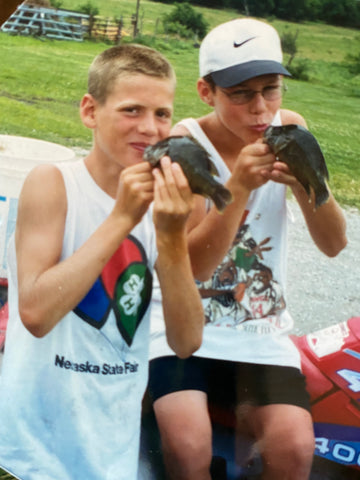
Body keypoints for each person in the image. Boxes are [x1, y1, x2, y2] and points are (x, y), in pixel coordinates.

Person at [148, 18, 347, 480]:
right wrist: (235, 188)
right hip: (181, 330)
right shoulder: (183, 146)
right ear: (206, 91)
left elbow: (336, 244)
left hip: (261, 333)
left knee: (294, 447)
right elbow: (193, 266)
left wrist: (306, 185)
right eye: (240, 93)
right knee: (187, 447)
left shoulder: (290, 131)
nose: (260, 109)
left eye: (271, 89)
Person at [0, 44, 204, 480]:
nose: (150, 128)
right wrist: (122, 217)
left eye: (163, 114)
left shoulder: (162, 208)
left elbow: (186, 342)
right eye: (132, 110)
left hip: (111, 447)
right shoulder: (54, 183)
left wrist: (170, 237)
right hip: (30, 448)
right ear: (90, 111)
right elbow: (35, 313)